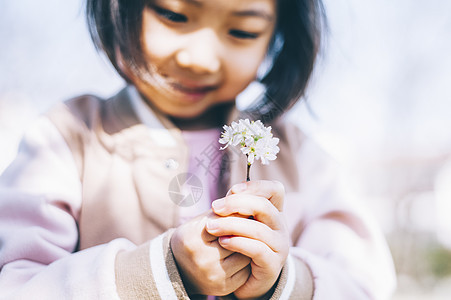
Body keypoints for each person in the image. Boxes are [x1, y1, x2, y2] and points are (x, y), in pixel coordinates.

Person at [0, 0, 396, 299]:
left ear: (278, 38)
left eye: (241, 32)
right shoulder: (68, 137)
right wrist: (160, 270)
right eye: (174, 15)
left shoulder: (301, 158)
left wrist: (283, 280)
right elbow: (15, 283)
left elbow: (364, 285)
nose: (200, 59)